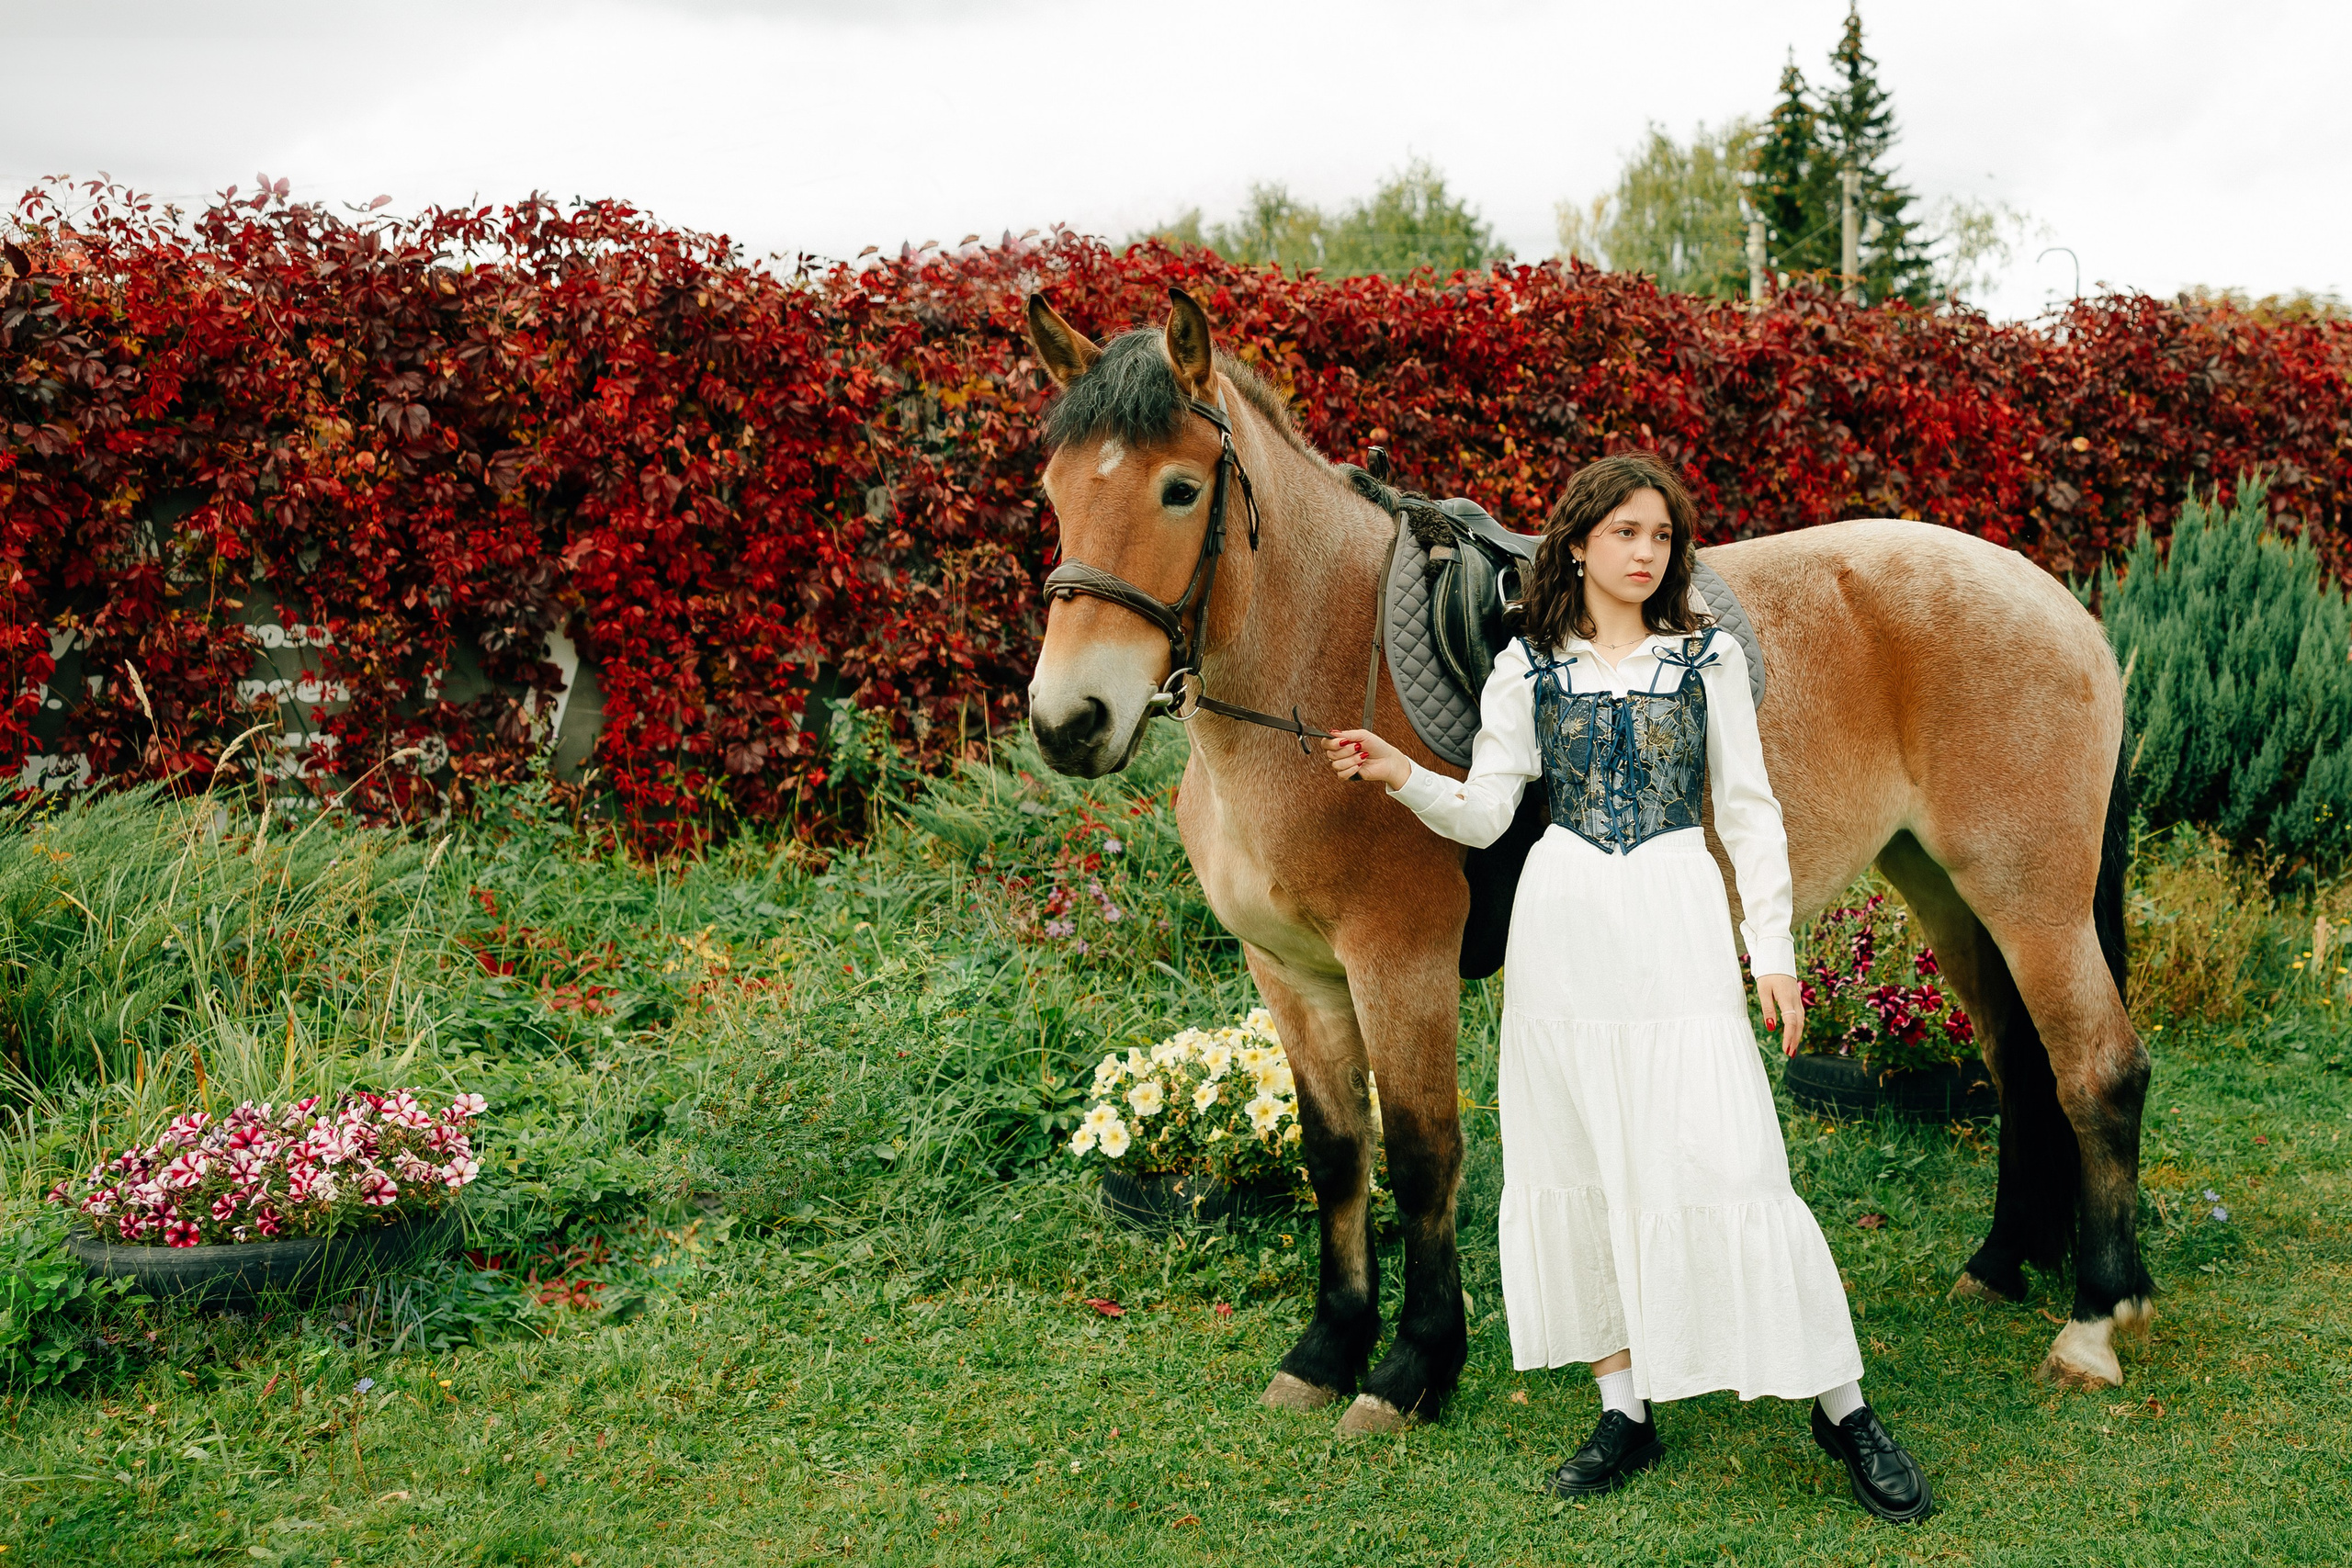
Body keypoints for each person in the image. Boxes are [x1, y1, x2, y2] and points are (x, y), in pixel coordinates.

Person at [1323, 452, 1933, 1524]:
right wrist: (1398, 772)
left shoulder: (1705, 660)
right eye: (1626, 535)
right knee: (1575, 1154)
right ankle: (1623, 1409)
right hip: (1560, 931)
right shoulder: (1524, 670)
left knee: (1732, 1159)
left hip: (1675, 918)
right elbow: (1485, 814)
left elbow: (1747, 810)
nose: (1647, 553)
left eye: (1661, 537)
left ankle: (1842, 1409)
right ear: (1577, 545)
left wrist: (1774, 953)